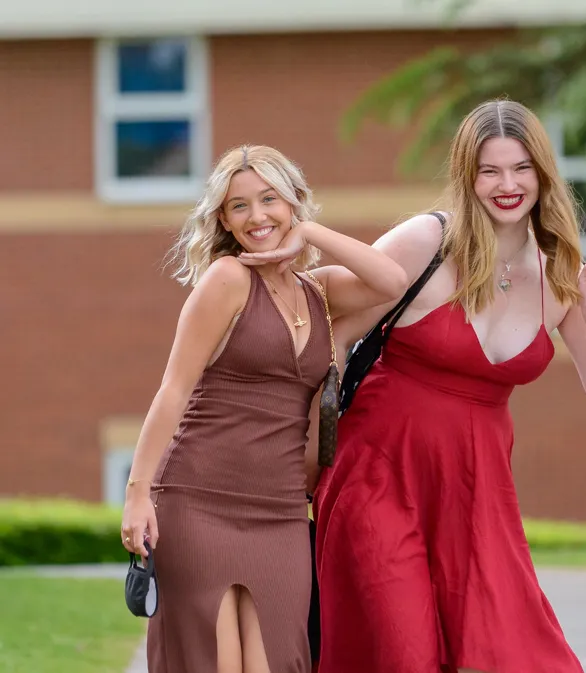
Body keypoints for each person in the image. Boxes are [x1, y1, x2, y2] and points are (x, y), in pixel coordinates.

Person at [304, 99, 586, 673]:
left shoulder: (557, 271)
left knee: (513, 653)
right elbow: (326, 320)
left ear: (543, 173)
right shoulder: (426, 243)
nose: (508, 185)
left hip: (478, 497)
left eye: (521, 168)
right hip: (379, 476)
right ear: (466, 175)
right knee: (405, 655)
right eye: (490, 170)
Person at [119, 144, 409, 673]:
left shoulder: (318, 292)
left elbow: (392, 281)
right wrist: (138, 494)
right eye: (239, 206)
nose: (257, 217)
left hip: (279, 512)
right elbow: (172, 392)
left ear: (294, 203)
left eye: (269, 199)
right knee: (215, 662)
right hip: (198, 499)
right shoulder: (227, 281)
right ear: (224, 221)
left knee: (280, 660)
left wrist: (312, 235)